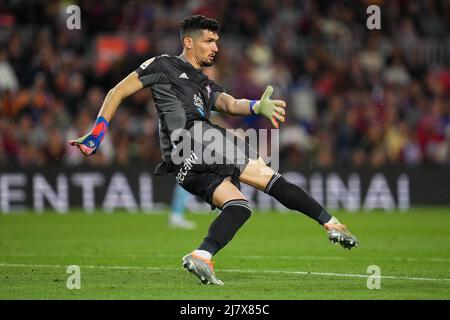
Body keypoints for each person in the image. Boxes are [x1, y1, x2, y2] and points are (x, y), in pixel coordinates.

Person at [69, 15, 358, 286]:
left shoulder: (204, 83)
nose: (215, 47)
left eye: (217, 41)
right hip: (196, 138)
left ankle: (201, 256)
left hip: (182, 165)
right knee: (266, 175)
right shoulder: (162, 64)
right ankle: (330, 222)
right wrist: (97, 134)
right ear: (188, 42)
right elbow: (116, 91)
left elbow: (230, 104)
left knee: (239, 207)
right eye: (209, 40)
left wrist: (257, 106)